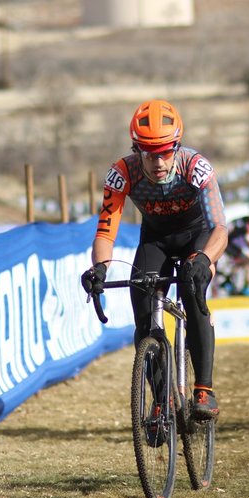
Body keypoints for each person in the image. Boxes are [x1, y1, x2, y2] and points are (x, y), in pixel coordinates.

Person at [80, 99, 228, 418]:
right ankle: (161, 401)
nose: (158, 161)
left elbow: (220, 228)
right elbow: (106, 232)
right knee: (143, 308)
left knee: (192, 289)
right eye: (149, 153)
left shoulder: (195, 167)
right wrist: (99, 268)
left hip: (197, 235)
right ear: (136, 150)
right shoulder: (122, 174)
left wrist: (205, 259)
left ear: (176, 146)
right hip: (156, 239)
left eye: (164, 151)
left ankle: (204, 389)